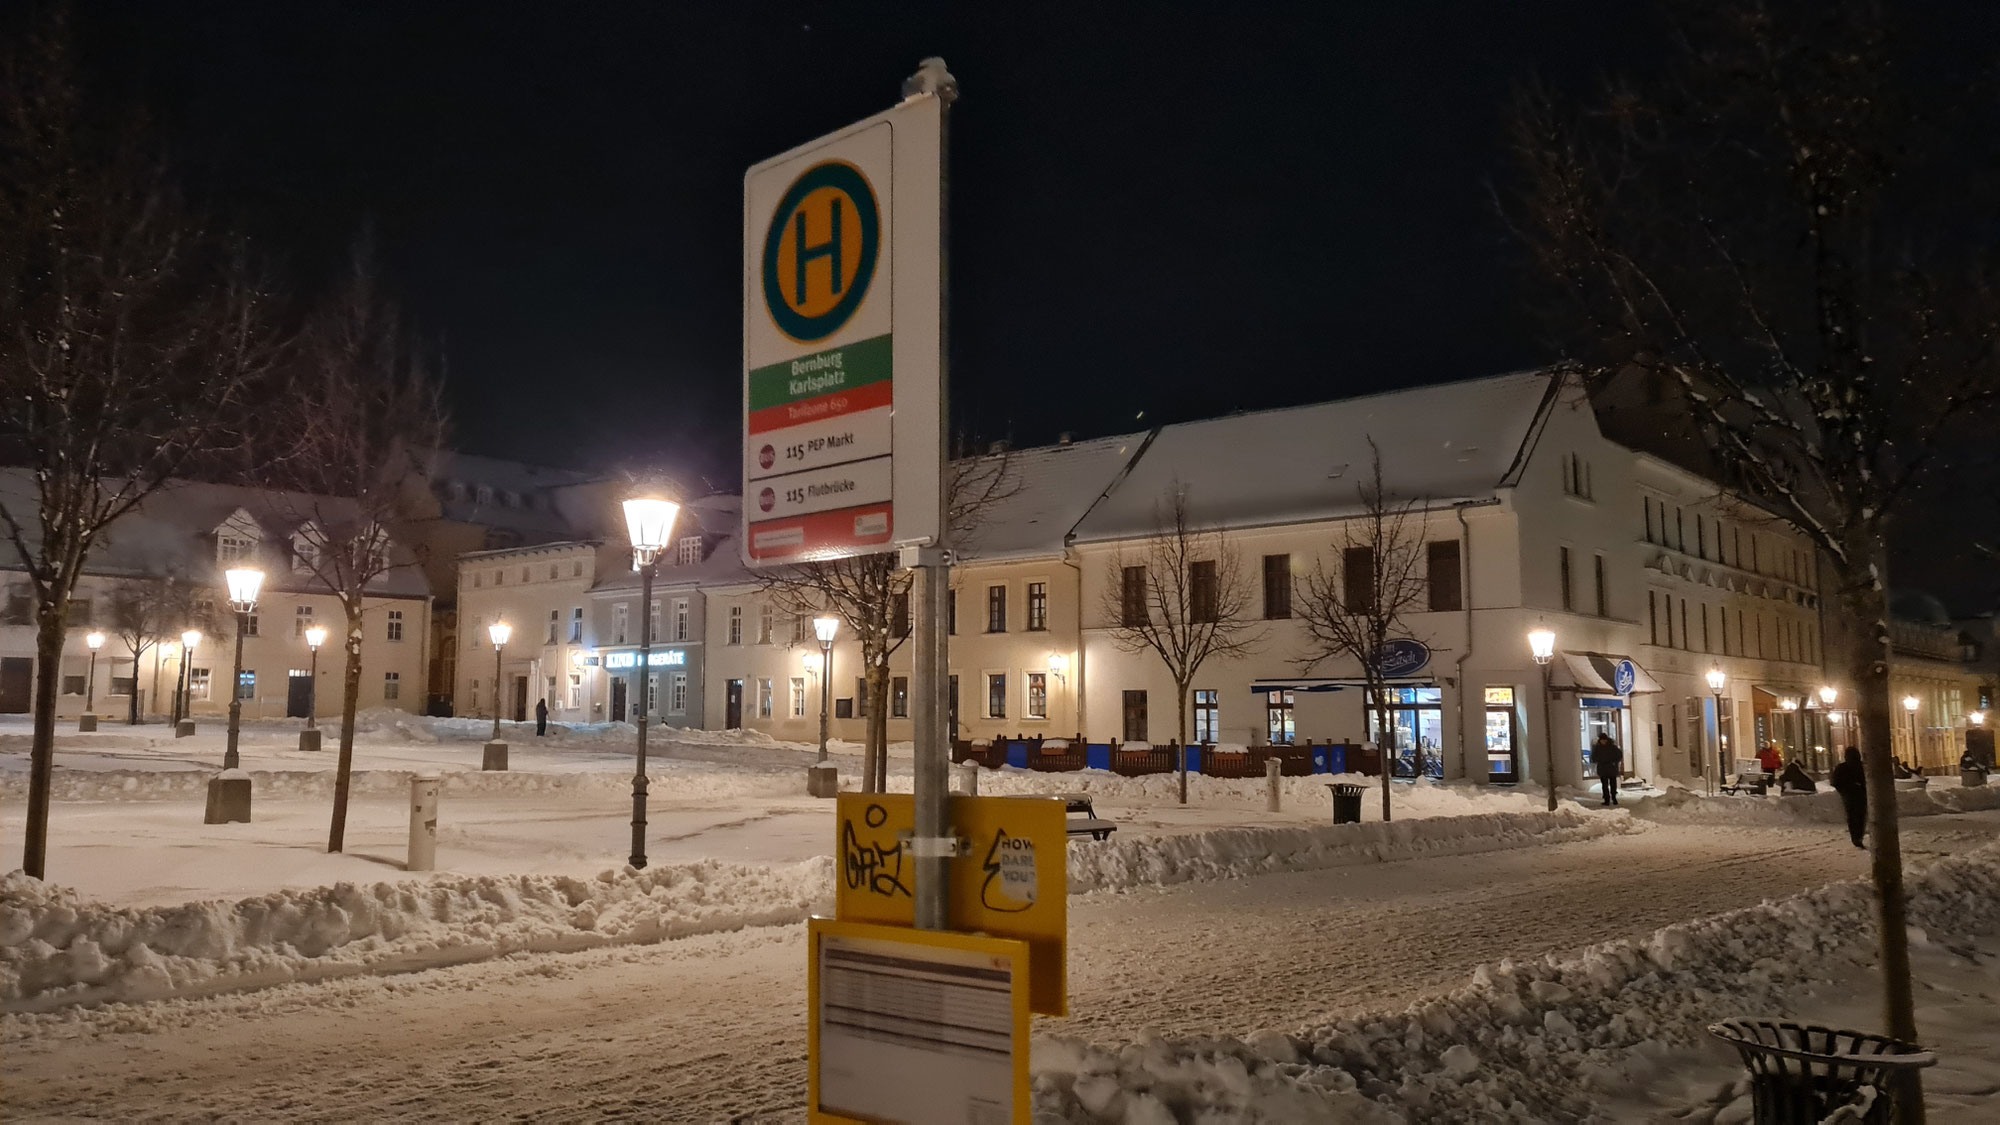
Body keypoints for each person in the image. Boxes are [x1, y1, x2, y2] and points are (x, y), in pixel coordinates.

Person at [1830, 746, 1867, 848]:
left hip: (1848, 796)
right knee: (1861, 817)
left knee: (1851, 816)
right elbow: (1866, 781)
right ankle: (1859, 836)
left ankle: (1855, 836)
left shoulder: (1841, 768)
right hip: (1861, 796)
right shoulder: (1861, 767)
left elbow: (1834, 782)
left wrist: (1843, 790)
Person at [1589, 733, 1624, 807]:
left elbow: (1619, 755)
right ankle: (1607, 799)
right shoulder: (1598, 748)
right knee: (1605, 785)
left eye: (1604, 740)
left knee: (1612, 784)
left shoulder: (1612, 747)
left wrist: (1614, 762)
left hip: (1610, 768)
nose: (1603, 742)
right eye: (1602, 740)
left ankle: (1613, 797)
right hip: (1604, 768)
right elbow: (1593, 757)